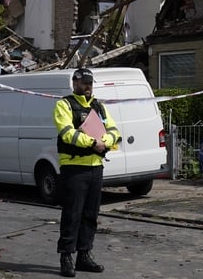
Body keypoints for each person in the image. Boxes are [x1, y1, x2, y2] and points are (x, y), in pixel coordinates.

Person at [53, 67, 121, 277]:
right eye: (84, 83)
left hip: (95, 167)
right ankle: (66, 257)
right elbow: (66, 133)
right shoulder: (64, 104)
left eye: (90, 83)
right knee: (72, 214)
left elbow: (114, 131)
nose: (88, 86)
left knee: (91, 214)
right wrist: (93, 143)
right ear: (75, 83)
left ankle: (84, 255)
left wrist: (104, 142)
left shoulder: (98, 107)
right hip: (74, 167)